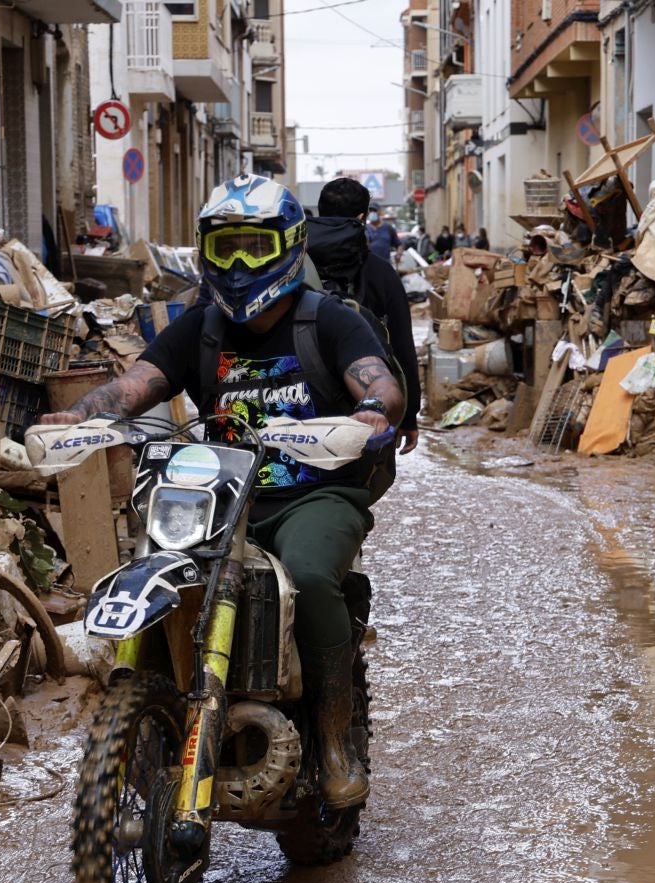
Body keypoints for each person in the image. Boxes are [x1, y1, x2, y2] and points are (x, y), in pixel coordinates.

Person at [38, 175, 406, 808]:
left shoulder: (331, 321)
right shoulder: (200, 328)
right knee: (153, 567)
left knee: (313, 577)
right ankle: (150, 710)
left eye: (253, 247)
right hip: (215, 499)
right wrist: (84, 414)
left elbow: (377, 381)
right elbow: (136, 385)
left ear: (288, 247)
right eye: (224, 247)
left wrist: (372, 411)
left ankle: (333, 734)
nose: (236, 265)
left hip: (313, 495)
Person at [308, 175, 421, 474]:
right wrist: (408, 415)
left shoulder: (293, 268)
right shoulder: (382, 274)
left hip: (301, 402)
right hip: (369, 407)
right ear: (363, 217)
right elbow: (403, 347)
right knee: (359, 484)